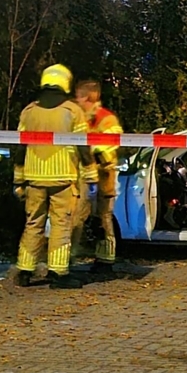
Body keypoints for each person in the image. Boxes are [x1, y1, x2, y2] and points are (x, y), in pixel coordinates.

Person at [12, 64, 97, 289]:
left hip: (33, 177)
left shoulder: (29, 111)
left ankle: (24, 271)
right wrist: (91, 175)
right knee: (61, 224)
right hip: (62, 177)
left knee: (33, 223)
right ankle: (58, 273)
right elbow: (83, 146)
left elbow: (20, 147)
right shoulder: (72, 110)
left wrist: (18, 179)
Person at [70, 80, 123, 274]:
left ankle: (105, 260)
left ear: (88, 98)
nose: (77, 100)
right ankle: (67, 258)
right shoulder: (79, 118)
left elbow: (111, 145)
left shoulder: (106, 119)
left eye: (79, 96)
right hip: (84, 177)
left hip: (103, 177)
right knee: (77, 218)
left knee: (104, 218)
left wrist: (89, 150)